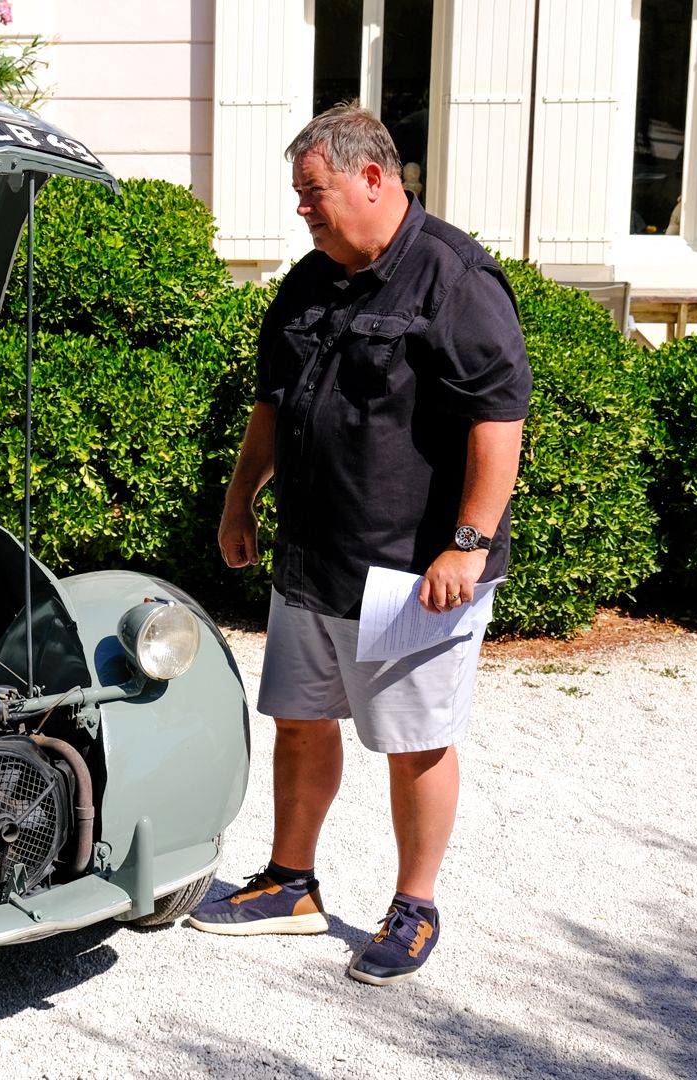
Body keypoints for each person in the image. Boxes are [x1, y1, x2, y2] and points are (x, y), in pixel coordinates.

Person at [185, 104, 530, 987]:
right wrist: (240, 501)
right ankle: (290, 884)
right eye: (299, 195)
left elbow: (500, 420)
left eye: (314, 192)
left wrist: (467, 542)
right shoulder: (309, 281)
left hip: (413, 573)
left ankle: (414, 907)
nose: (302, 208)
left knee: (416, 740)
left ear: (373, 178)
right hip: (312, 560)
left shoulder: (454, 279)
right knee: (300, 724)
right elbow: (272, 403)